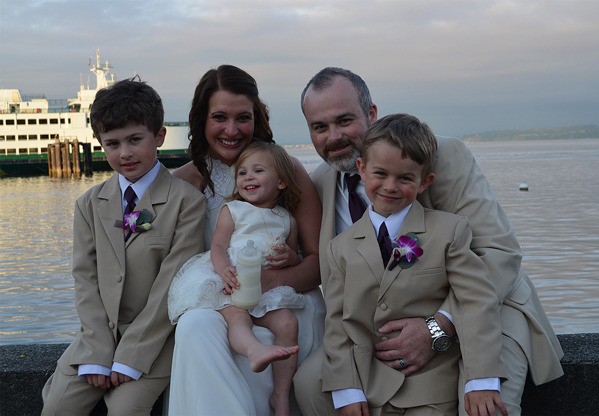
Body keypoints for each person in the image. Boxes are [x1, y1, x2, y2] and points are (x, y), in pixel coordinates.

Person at [294, 67, 563, 416]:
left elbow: (500, 254)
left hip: (483, 310)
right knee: (311, 384)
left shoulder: (445, 156)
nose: (333, 136)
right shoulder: (319, 185)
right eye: (319, 127)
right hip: (388, 331)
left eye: (344, 120)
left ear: (371, 113)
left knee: (484, 409)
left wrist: (436, 327)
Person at [41, 78, 206, 415]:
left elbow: (170, 285)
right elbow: (85, 279)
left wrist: (131, 355)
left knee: (125, 410)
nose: (125, 153)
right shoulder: (89, 204)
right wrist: (99, 350)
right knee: (57, 406)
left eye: (135, 140)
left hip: (155, 341)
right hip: (96, 338)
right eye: (112, 143)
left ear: (158, 136)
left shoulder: (186, 202)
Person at [323, 113, 508, 415]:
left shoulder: (450, 231)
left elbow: (477, 301)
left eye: (405, 178)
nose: (390, 186)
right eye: (380, 173)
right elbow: (337, 324)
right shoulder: (339, 248)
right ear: (362, 170)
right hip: (370, 385)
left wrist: (481, 381)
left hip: (431, 383)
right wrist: (347, 391)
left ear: (425, 182)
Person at [167, 65, 325, 416]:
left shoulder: (287, 170)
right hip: (220, 295)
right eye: (219, 117)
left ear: (258, 118)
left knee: (286, 324)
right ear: (201, 120)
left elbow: (317, 260)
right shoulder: (183, 182)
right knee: (194, 326)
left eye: (243, 117)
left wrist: (274, 278)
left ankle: (278, 397)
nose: (231, 130)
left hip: (285, 293)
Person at [168, 141, 306, 416]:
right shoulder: (233, 210)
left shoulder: (287, 218)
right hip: (233, 284)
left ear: (280, 181)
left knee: (288, 323)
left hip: (266, 288)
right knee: (238, 318)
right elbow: (218, 246)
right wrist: (223, 271)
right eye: (242, 173)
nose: (248, 177)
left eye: (257, 171)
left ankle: (280, 395)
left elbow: (294, 255)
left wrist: (288, 258)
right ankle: (254, 350)